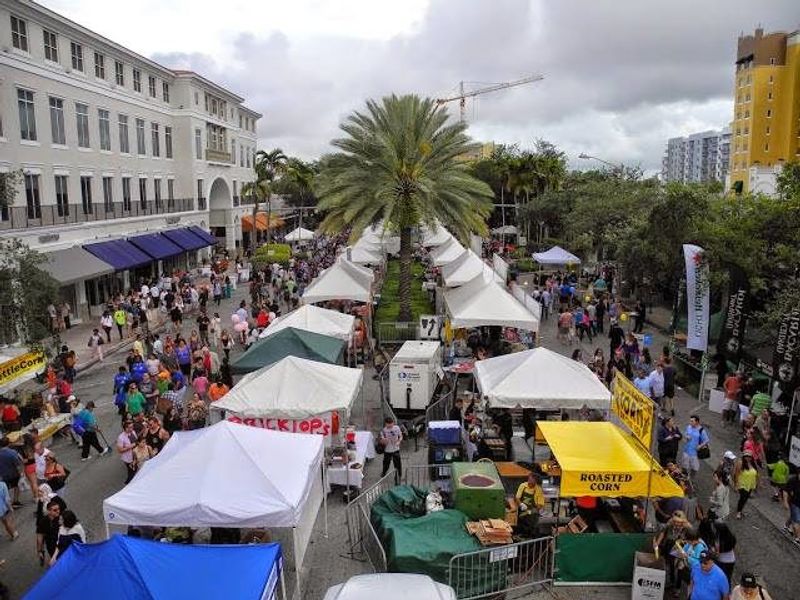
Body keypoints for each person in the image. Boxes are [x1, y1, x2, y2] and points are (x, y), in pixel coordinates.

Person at [515, 473, 545, 537]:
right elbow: (517, 498)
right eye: (529, 478)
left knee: (532, 528)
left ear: (535, 481)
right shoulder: (523, 485)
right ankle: (521, 536)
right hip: (522, 510)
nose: (529, 480)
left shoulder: (538, 490)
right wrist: (521, 504)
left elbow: (540, 505)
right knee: (521, 524)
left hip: (533, 513)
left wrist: (530, 511)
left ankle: (531, 539)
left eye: (531, 479)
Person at [682, 415, 710, 481]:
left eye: (692, 421)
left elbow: (706, 440)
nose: (690, 422)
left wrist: (700, 446)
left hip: (694, 453)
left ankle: (691, 479)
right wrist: (686, 436)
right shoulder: (689, 427)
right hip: (686, 450)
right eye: (690, 421)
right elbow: (685, 433)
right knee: (684, 466)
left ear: (697, 422)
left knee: (695, 468)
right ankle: (684, 477)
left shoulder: (701, 430)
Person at [36, 498, 62, 564]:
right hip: (51, 545)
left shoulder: (60, 518)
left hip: (61, 543)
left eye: (58, 509)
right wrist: (40, 551)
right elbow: (40, 538)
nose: (58, 511)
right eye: (55, 510)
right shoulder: (43, 522)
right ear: (49, 511)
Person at [734, 453, 758, 520]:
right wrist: (736, 484)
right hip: (742, 484)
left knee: (746, 498)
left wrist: (757, 484)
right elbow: (736, 474)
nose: (748, 458)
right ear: (744, 457)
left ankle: (740, 510)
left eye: (749, 456)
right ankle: (738, 512)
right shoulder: (740, 463)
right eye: (746, 456)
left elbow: (756, 474)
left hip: (750, 484)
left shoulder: (753, 464)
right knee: (743, 498)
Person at [380, 417, 403, 484]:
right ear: (385, 424)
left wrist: (399, 441)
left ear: (393, 423)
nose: (390, 425)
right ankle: (384, 472)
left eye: (391, 424)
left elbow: (401, 436)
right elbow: (381, 441)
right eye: (388, 424)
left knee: (398, 464)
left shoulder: (397, 428)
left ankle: (398, 477)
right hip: (387, 450)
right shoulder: (383, 431)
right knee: (386, 463)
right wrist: (384, 440)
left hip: (396, 449)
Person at [0, 439, 22, 509]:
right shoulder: (12, 452)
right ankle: (15, 501)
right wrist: (20, 473)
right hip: (14, 474)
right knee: (16, 486)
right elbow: (17, 465)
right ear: (8, 444)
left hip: (3, 475)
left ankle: (7, 504)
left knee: (6, 489)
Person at [783, 473, 800, 544]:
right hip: (794, 503)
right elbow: (785, 491)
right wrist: (785, 502)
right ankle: (797, 538)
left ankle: (786, 526)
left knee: (793, 516)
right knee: (797, 520)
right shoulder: (793, 480)